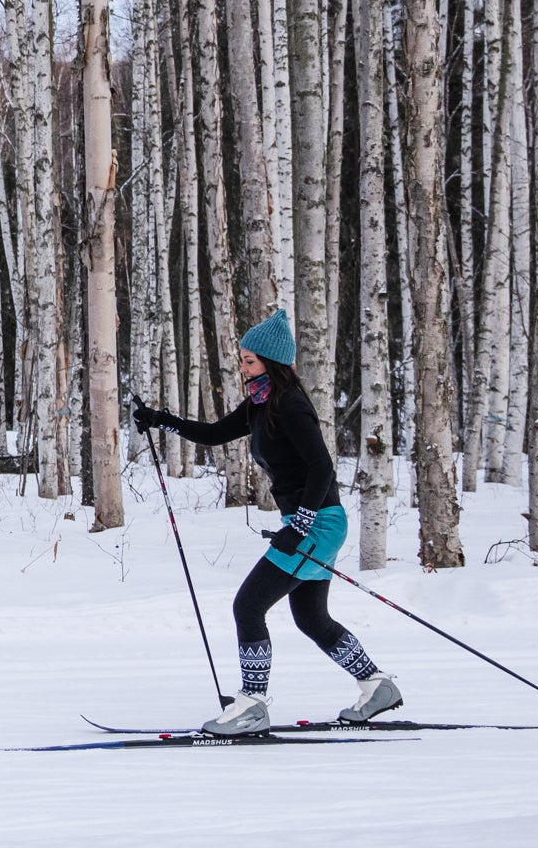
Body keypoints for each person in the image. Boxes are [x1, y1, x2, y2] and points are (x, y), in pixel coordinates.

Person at [132, 306, 402, 735]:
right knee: (311, 618)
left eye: (250, 360)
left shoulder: (290, 404)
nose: (243, 366)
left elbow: (322, 468)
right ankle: (376, 685)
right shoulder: (262, 401)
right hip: (307, 520)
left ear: (272, 363)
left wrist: (300, 525)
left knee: (249, 605)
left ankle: (253, 704)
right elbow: (215, 434)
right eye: (242, 359)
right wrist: (163, 421)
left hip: (318, 523)